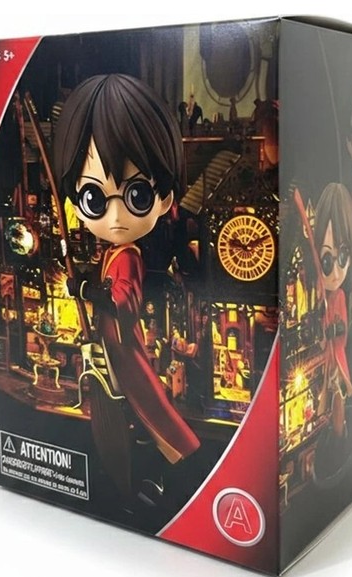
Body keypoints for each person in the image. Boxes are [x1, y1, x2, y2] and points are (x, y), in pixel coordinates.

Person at [53, 74, 200, 476]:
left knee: (145, 399)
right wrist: (83, 278)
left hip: (122, 347)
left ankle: (176, 458)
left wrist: (87, 289)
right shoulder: (113, 252)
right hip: (109, 346)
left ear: (163, 198)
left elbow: (123, 301)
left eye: (137, 195)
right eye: (94, 198)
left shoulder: (129, 257)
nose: (116, 217)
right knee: (127, 408)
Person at [314, 183, 352, 444]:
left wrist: (335, 331)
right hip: (322, 357)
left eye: (343, 258)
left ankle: (339, 435)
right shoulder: (317, 296)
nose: (337, 273)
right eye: (328, 261)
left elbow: (344, 332)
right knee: (322, 395)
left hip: (335, 357)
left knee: (337, 391)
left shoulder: (339, 296)